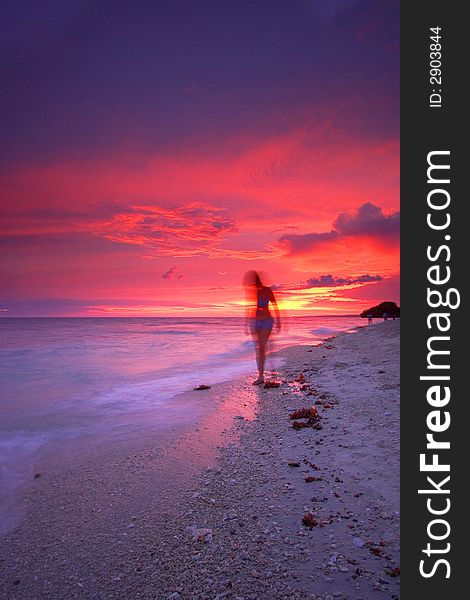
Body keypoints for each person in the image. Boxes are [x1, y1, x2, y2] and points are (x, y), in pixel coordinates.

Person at [243, 270, 281, 385]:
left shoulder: (267, 290)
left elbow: (275, 305)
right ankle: (262, 372)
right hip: (255, 322)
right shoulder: (252, 292)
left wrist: (279, 321)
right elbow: (249, 307)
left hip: (266, 321)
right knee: (259, 348)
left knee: (262, 347)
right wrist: (246, 323)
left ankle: (261, 376)